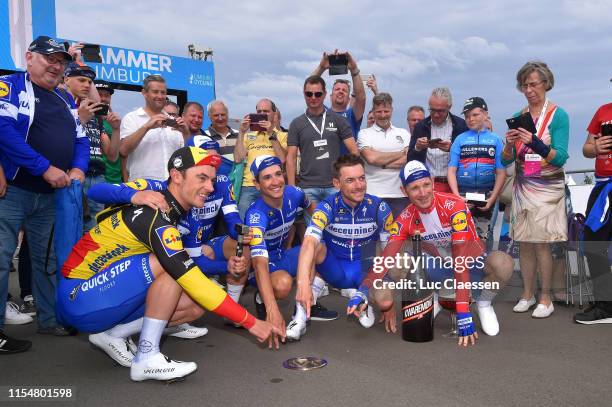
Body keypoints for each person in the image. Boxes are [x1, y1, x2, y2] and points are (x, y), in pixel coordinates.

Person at [57, 147, 279, 381]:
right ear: (176, 176)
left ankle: (113, 334)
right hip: (78, 297)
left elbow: (191, 269)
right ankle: (146, 358)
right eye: (201, 178)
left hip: (106, 291)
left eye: (212, 180)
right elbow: (96, 191)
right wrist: (251, 322)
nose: (211, 188)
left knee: (195, 303)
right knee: (176, 270)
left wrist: (226, 269)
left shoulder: (181, 211)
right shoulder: (151, 198)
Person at [349, 161, 513, 343]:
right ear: (404, 191)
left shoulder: (454, 206)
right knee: (397, 264)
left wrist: (463, 314)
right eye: (415, 188)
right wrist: (362, 291)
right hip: (439, 267)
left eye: (426, 184)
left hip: (469, 264)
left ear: (433, 183)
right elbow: (386, 260)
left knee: (503, 263)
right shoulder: (405, 219)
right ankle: (433, 296)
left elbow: (461, 263)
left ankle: (484, 302)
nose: (423, 192)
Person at [0, 36, 89, 353]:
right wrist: (44, 167)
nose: (56, 65)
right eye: (49, 58)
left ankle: (50, 319)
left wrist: (78, 168)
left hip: (53, 198)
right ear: (29, 58)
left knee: (48, 260)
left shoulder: (66, 101)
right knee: (0, 258)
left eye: (61, 61)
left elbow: (81, 141)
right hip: (12, 191)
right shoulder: (9, 85)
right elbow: (3, 130)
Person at [288, 154, 396, 340]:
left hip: (364, 271)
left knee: (386, 301)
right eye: (350, 180)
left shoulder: (379, 207)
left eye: (361, 178)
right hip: (334, 270)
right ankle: (299, 318)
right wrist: (302, 285)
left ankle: (362, 299)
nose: (359, 185)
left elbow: (389, 254)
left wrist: (384, 301)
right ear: (337, 184)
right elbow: (308, 244)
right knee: (315, 246)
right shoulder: (326, 207)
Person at [246, 155, 338, 348]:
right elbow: (259, 263)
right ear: (256, 184)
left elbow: (313, 208)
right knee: (283, 284)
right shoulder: (255, 214)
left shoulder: (294, 193)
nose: (275, 181)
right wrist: (273, 309)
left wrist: (330, 228)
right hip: (265, 264)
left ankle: (302, 313)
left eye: (278, 174)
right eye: (267, 177)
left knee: (320, 247)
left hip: (283, 255)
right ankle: (262, 297)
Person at [502, 61, 569, 318]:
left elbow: (560, 157)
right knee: (525, 244)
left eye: (533, 84)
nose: (528, 89)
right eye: (524, 85)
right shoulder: (520, 116)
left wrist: (536, 142)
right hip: (524, 184)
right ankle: (527, 294)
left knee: (542, 244)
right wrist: (509, 144)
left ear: (546, 84)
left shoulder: (558, 115)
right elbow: (506, 160)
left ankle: (546, 298)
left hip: (548, 186)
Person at [64, 63, 121, 231]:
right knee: (72, 228)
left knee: (94, 231)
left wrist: (116, 129)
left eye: (90, 82)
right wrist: (77, 61)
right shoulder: (65, 106)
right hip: (75, 174)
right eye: (82, 80)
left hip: (98, 177)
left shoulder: (96, 116)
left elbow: (112, 155)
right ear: (67, 80)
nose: (88, 85)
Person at [286, 76, 358, 205]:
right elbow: (291, 158)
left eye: (318, 94)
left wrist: (347, 179)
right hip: (308, 187)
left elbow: (354, 152)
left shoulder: (339, 120)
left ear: (325, 94)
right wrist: (292, 189)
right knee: (314, 225)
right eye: (309, 94)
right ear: (304, 94)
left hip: (335, 185)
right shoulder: (296, 123)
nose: (313, 97)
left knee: (337, 225)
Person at [573, 100, 612, 324]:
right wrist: (596, 148)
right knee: (592, 244)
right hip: (603, 187)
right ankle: (605, 306)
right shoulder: (603, 110)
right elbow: (586, 149)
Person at [448, 97, 506, 244]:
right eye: (467, 116)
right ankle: (463, 267)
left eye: (475, 115)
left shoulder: (496, 140)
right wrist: (457, 197)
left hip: (487, 197)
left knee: (483, 240)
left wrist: (493, 198)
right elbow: (451, 171)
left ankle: (483, 266)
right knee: (460, 239)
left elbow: (501, 172)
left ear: (485, 115)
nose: (470, 119)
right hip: (462, 196)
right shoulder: (460, 139)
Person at [119, 74, 185, 181]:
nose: (160, 96)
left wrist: (185, 133)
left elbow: (184, 156)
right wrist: (146, 127)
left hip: (173, 186)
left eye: (163, 92)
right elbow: (123, 151)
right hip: (143, 187)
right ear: (144, 93)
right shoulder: (131, 118)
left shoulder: (174, 122)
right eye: (155, 92)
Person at [357, 92, 411, 217]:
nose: (382, 115)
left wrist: (383, 164)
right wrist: (400, 152)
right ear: (373, 112)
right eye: (379, 112)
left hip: (399, 195)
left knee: (399, 235)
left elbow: (407, 158)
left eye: (386, 111)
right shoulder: (364, 134)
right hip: (372, 194)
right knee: (373, 235)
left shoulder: (403, 133)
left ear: (391, 110)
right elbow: (371, 158)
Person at [234, 98, 288, 218]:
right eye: (259, 112)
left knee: (274, 223)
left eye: (266, 111)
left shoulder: (283, 135)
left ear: (274, 114)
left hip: (273, 185)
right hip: (249, 186)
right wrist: (241, 132)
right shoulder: (248, 135)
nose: (261, 115)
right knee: (244, 225)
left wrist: (271, 133)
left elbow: (283, 159)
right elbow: (238, 158)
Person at [407, 88, 468, 193]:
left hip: (455, 184)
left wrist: (453, 148)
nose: (435, 114)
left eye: (440, 111)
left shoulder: (461, 125)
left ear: (449, 107)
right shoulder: (420, 126)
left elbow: (470, 157)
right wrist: (417, 147)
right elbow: (410, 160)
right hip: (427, 184)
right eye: (432, 110)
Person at [311, 50, 366, 139]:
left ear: (349, 99)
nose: (340, 91)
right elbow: (310, 88)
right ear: (330, 96)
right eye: (337, 89)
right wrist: (321, 67)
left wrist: (354, 69)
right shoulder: (321, 112)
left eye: (344, 90)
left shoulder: (352, 115)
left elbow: (361, 98)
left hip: (348, 153)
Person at [94, 80, 124, 184]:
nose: (103, 99)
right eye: (99, 94)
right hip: (97, 179)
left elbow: (118, 155)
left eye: (107, 95)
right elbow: (110, 156)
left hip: (116, 179)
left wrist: (116, 128)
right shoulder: (87, 119)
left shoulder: (115, 122)